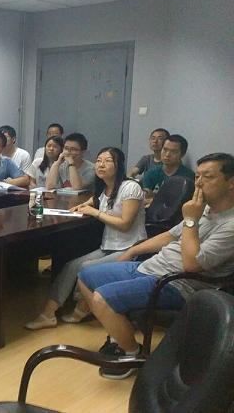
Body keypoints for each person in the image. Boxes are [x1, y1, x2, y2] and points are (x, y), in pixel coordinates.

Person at [77, 153, 234, 379]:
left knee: (102, 298)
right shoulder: (205, 209)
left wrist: (191, 219)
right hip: (152, 266)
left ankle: (132, 354)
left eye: (207, 177)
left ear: (231, 182)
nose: (198, 183)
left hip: (178, 284)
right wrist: (132, 251)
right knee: (85, 275)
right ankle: (119, 335)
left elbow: (192, 265)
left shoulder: (228, 223)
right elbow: (170, 236)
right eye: (197, 176)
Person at [25, 147, 146, 330]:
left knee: (85, 267)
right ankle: (48, 314)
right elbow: (94, 202)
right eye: (99, 160)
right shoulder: (104, 188)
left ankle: (82, 308)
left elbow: (125, 224)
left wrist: (95, 212)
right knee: (71, 265)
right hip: (108, 246)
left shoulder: (130, 187)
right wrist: (81, 207)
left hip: (130, 247)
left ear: (119, 165)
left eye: (108, 161)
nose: (101, 165)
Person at [141, 134, 196, 207]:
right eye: (165, 149)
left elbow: (183, 201)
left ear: (182, 154)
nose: (167, 154)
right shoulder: (151, 173)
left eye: (173, 151)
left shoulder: (188, 176)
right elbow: (145, 198)